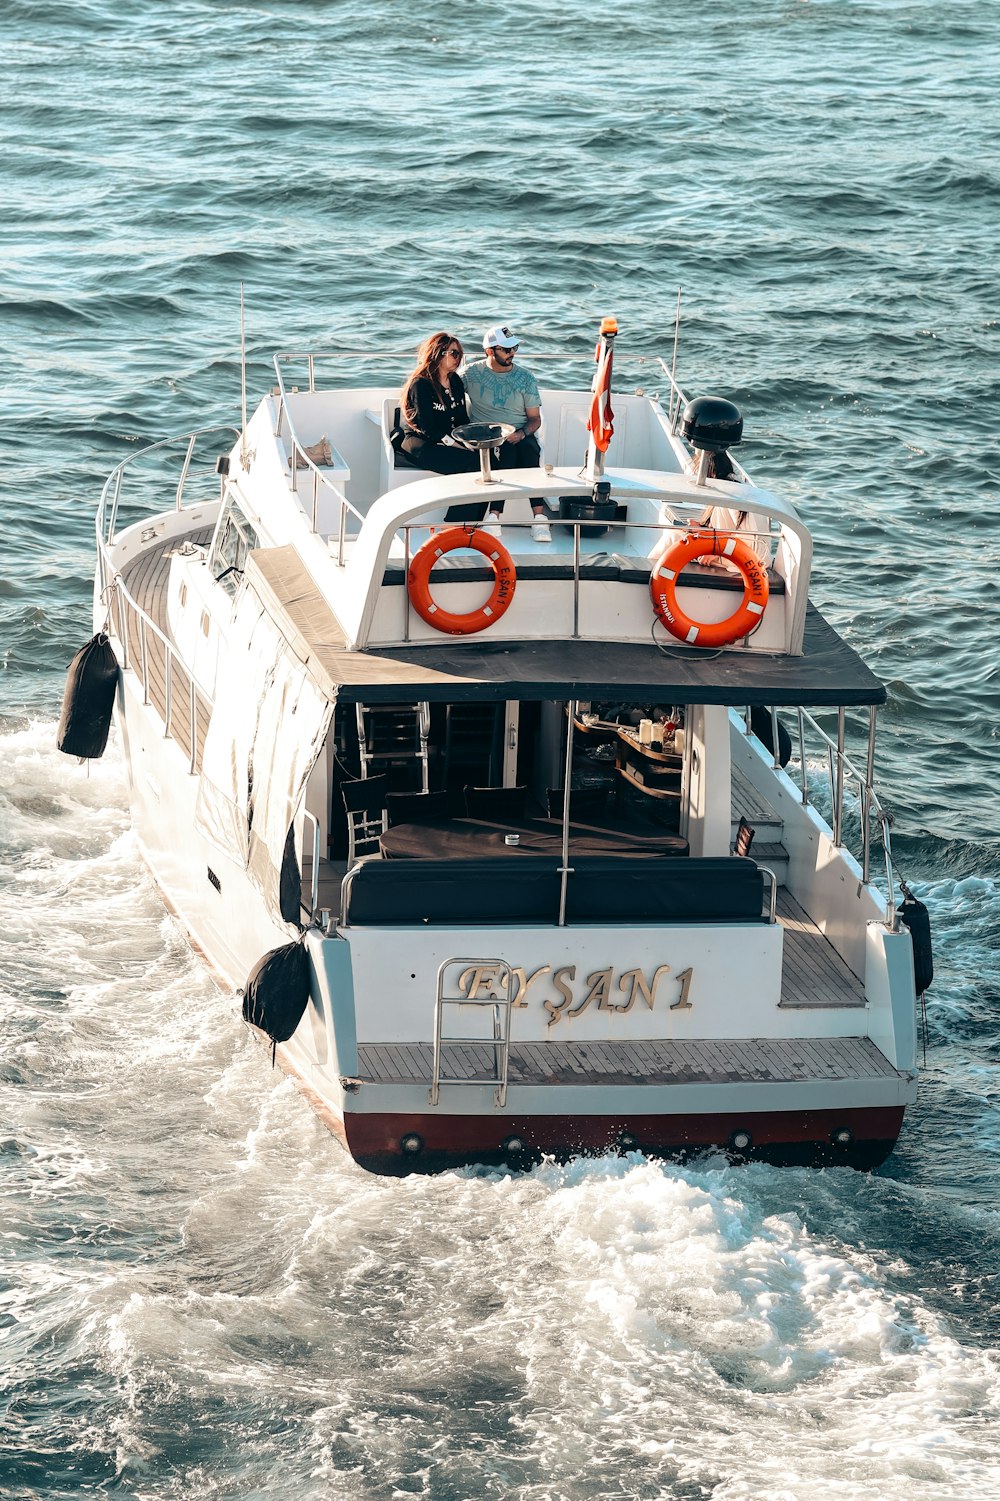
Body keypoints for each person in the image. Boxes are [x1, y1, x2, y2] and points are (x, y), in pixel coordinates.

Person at [451, 324, 551, 541]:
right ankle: (497, 517)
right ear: (490, 351)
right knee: (506, 453)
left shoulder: (526, 378)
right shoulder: (470, 374)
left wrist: (522, 433)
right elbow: (446, 389)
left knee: (527, 450)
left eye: (514, 347)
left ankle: (536, 519)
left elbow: (535, 419)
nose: (512, 353)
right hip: (485, 434)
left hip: (518, 432)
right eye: (507, 349)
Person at [398, 333, 480, 475]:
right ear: (439, 354)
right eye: (454, 353)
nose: (458, 358)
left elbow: (462, 419)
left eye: (460, 354)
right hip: (421, 442)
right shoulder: (421, 384)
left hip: (446, 438)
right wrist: (456, 445)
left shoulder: (455, 380)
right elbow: (428, 428)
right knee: (472, 461)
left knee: (487, 457)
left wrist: (469, 441)